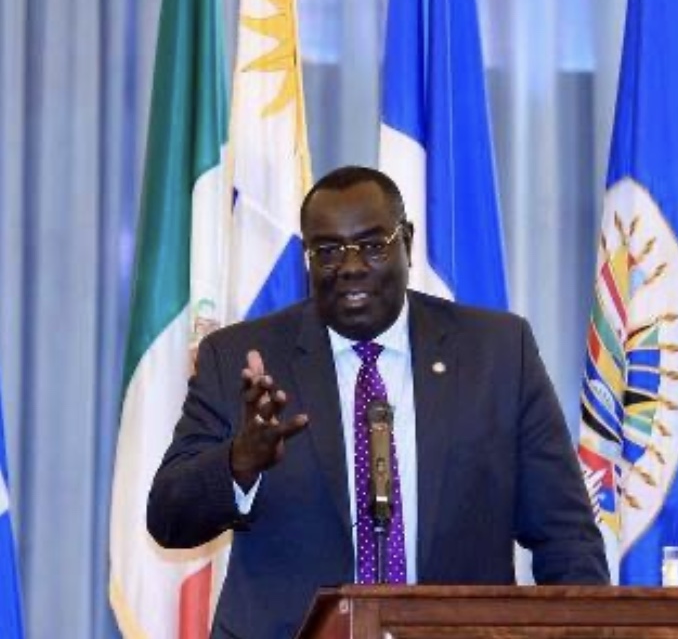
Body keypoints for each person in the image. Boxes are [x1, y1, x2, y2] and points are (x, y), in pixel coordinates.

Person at [147, 166, 608, 639]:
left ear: (406, 240)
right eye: (328, 251)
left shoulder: (496, 353)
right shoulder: (240, 359)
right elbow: (168, 520)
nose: (350, 266)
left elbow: (565, 535)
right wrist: (238, 464)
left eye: (371, 245)